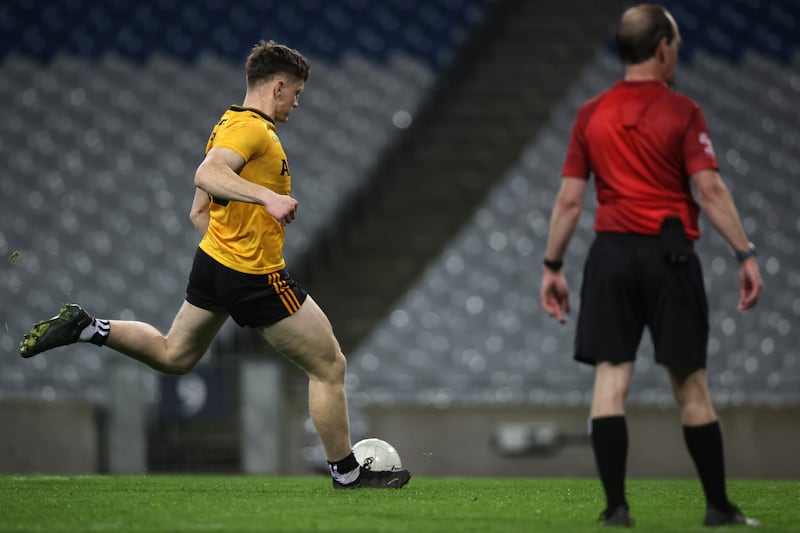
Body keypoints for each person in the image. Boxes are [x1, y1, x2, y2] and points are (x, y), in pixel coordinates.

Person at [19, 40, 410, 490]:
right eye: (297, 93)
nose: (297, 103)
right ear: (279, 86)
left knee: (174, 355)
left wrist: (231, 245)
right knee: (330, 366)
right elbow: (206, 175)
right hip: (256, 276)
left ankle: (88, 327)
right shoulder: (253, 131)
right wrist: (268, 199)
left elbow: (198, 211)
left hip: (215, 265)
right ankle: (347, 474)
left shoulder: (226, 123)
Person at [539, 3, 762, 528]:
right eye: (677, 44)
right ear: (664, 47)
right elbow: (708, 188)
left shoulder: (591, 113)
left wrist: (552, 265)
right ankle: (718, 508)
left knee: (610, 381)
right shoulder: (683, 112)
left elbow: (570, 201)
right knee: (690, 385)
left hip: (610, 256)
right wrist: (744, 253)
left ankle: (616, 509)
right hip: (670, 257)